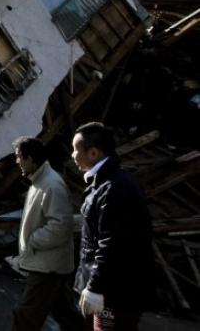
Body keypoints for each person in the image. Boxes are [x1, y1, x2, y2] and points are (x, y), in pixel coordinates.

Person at [72, 122, 154, 330]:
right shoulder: (102, 184)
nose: (72, 155)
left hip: (114, 292)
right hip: (106, 289)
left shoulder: (114, 187)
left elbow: (112, 243)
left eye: (75, 149)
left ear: (93, 153)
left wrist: (95, 287)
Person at [8, 136, 82, 331]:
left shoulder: (51, 185)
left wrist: (33, 241)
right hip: (50, 263)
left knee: (26, 314)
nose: (17, 162)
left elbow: (60, 225)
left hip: (47, 264)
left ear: (30, 159)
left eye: (19, 157)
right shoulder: (41, 180)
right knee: (63, 310)